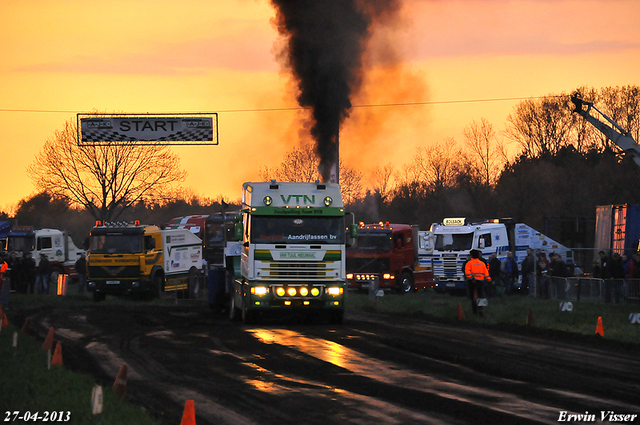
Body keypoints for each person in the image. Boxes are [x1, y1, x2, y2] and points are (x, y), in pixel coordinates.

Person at [464, 249, 490, 316]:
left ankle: (475, 311)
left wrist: (472, 278)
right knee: (480, 296)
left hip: (472, 282)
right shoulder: (482, 263)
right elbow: (486, 273)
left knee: (473, 296)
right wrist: (489, 280)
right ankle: (481, 310)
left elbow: (467, 273)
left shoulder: (469, 263)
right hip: (480, 282)